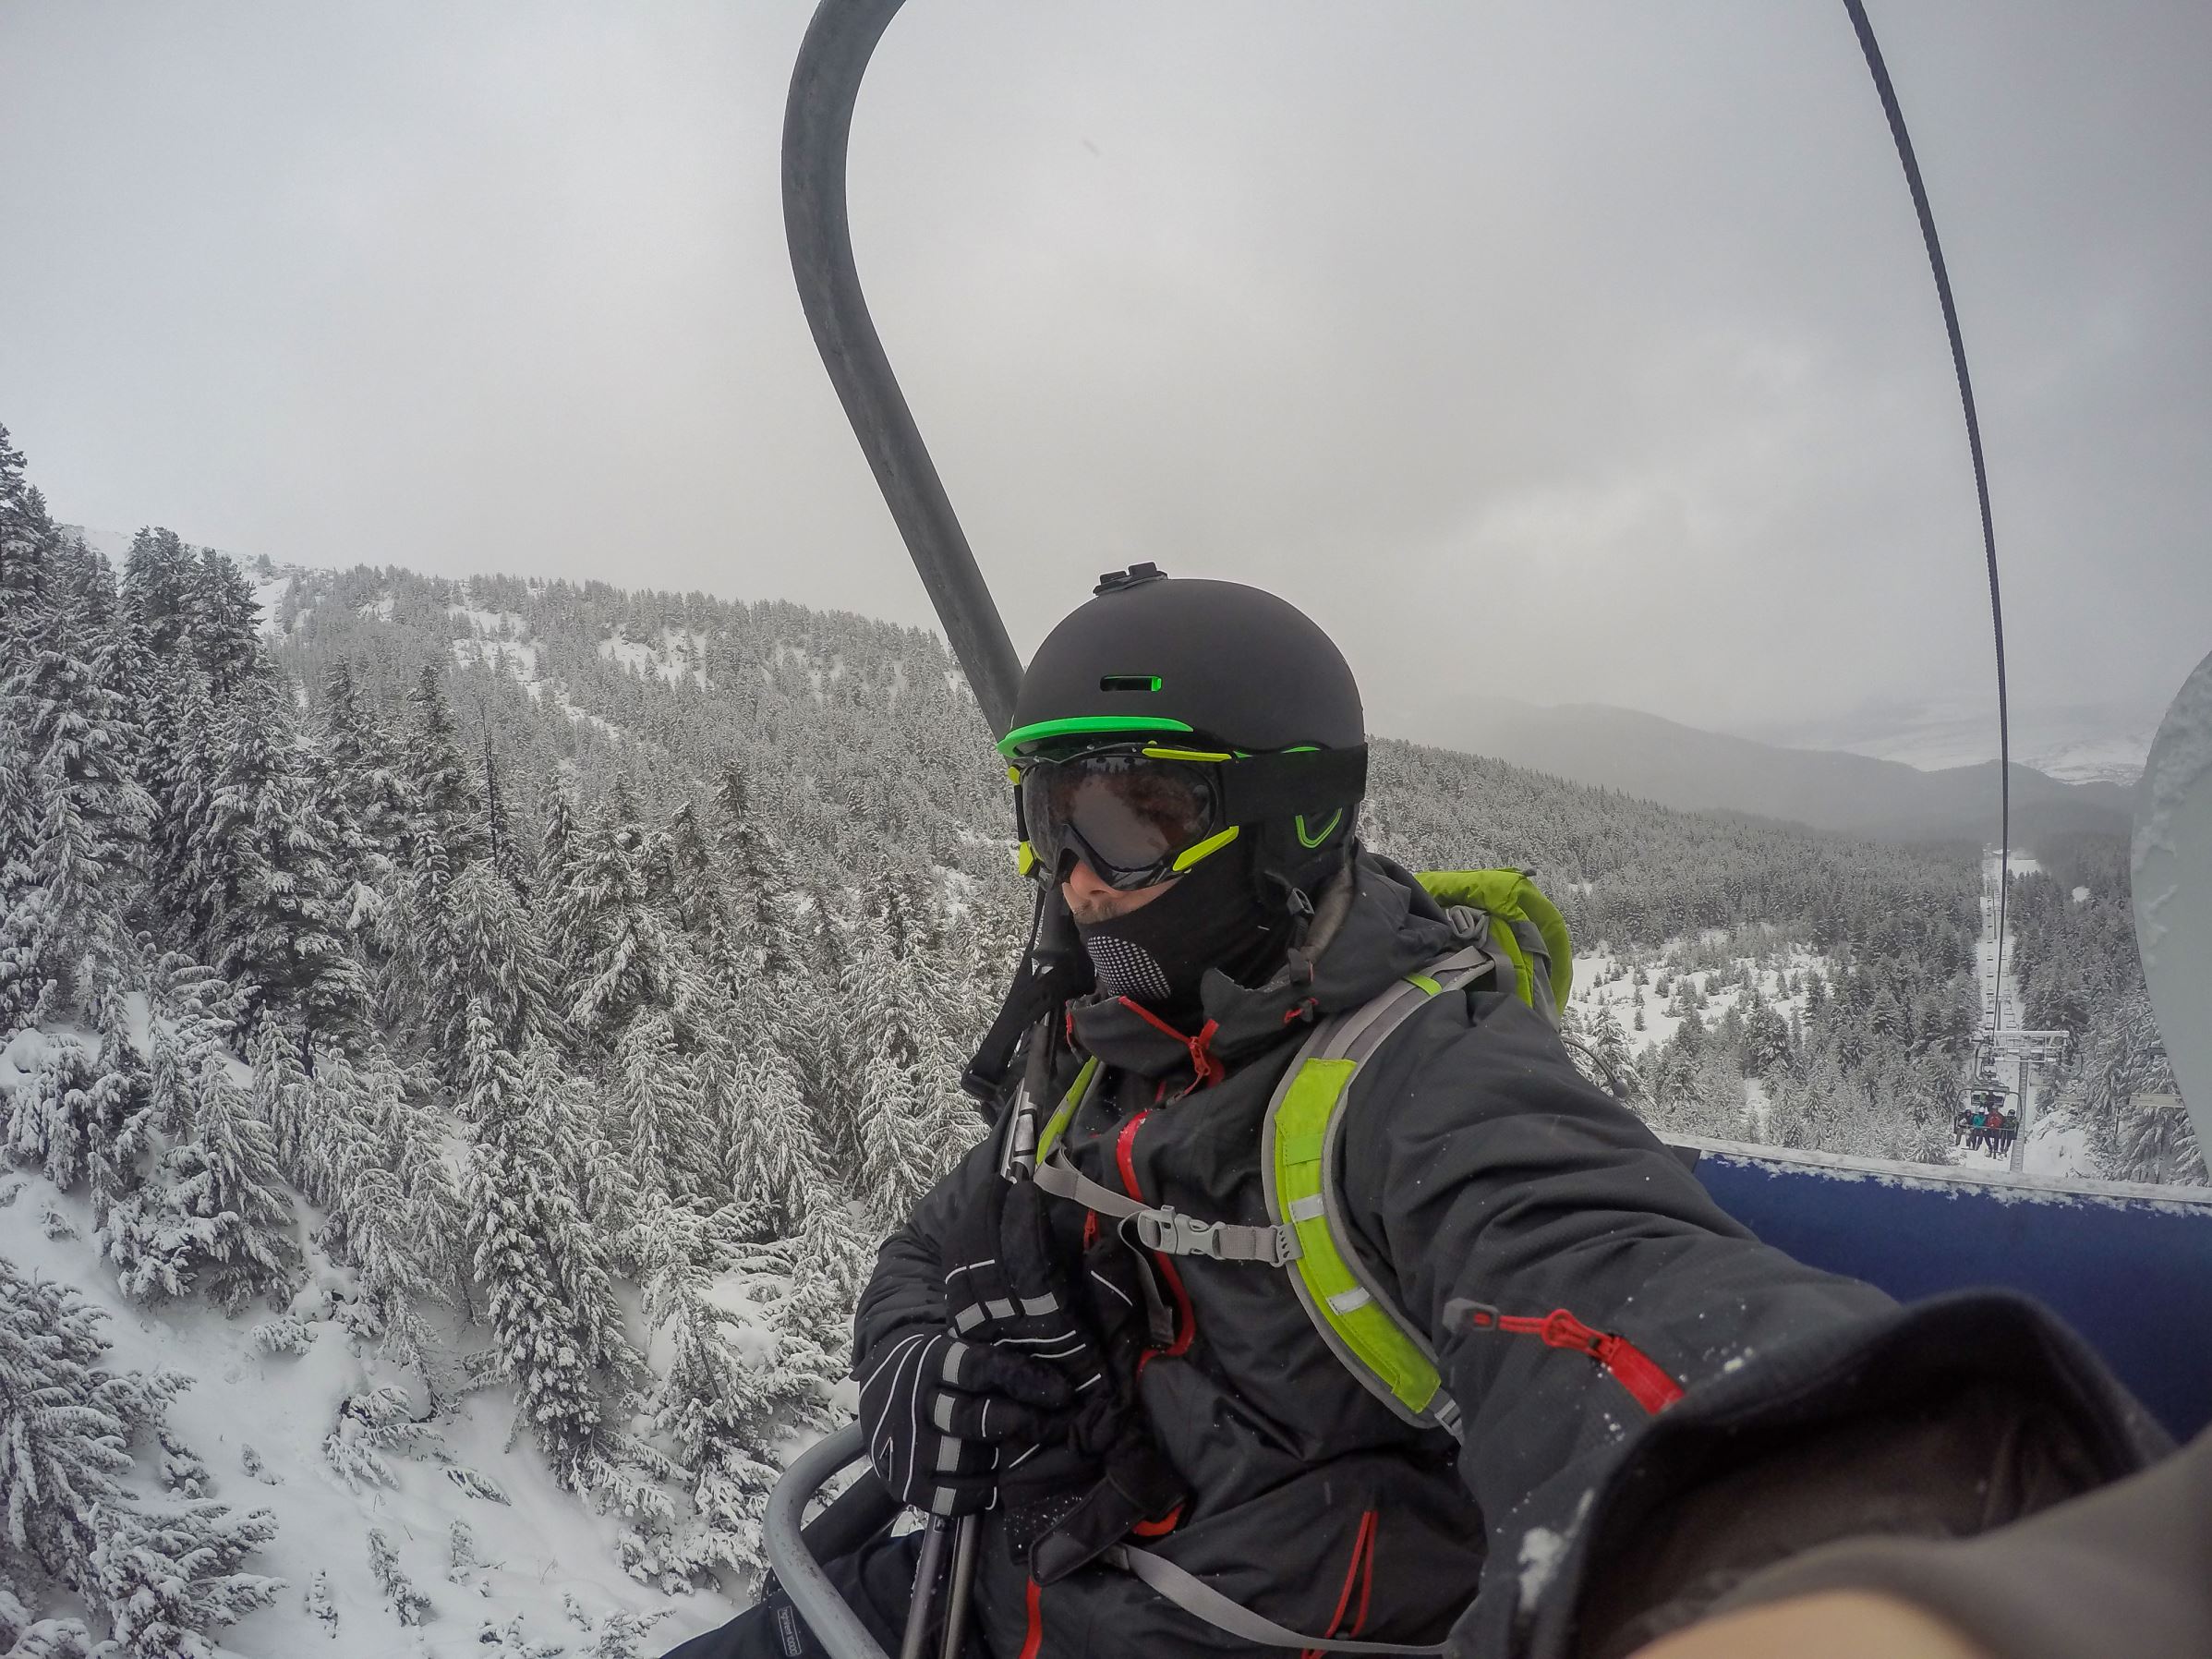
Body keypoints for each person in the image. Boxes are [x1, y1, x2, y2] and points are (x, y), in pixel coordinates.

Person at [667, 569, 2164, 1659]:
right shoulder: (1112, 1033)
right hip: (969, 1602)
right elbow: (946, 1234)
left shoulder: (1419, 1081)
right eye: (1045, 817)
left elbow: (1633, 1304)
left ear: (1283, 814)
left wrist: (1875, 1563)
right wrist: (912, 1362)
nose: (1073, 875)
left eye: (1125, 814)